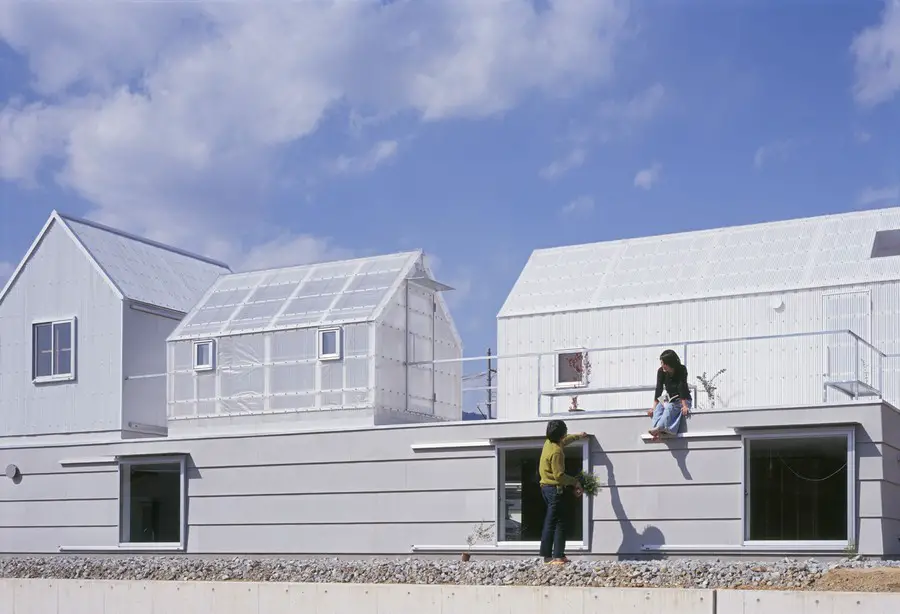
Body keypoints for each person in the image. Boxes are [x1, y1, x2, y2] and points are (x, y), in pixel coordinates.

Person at [538, 420, 588, 564]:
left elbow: (564, 441)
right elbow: (559, 475)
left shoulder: (549, 442)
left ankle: (557, 554)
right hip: (554, 489)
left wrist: (578, 436)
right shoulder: (556, 451)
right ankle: (551, 557)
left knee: (556, 521)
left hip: (546, 488)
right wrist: (575, 482)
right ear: (561, 434)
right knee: (555, 522)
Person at [647, 349, 692, 439]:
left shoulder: (681, 369)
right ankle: (656, 429)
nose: (662, 366)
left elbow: (681, 387)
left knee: (670, 407)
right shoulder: (661, 371)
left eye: (664, 363)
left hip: (682, 398)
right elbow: (658, 389)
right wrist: (653, 407)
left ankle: (661, 428)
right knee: (659, 408)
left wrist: (684, 405)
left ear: (670, 363)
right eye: (661, 363)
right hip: (669, 396)